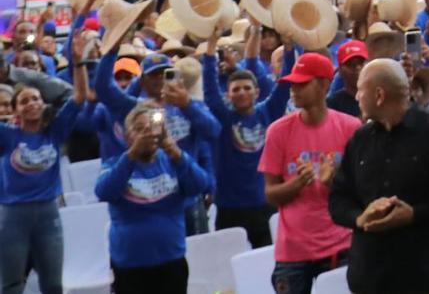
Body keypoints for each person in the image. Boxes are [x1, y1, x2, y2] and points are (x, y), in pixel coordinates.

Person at [329, 59, 429, 294]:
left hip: (427, 278)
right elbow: (338, 200)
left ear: (379, 95)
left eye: (360, 90)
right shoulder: (359, 140)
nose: (356, 97)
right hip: (371, 277)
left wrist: (415, 214)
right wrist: (360, 218)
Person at [259, 53, 361, 294]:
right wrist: (298, 183)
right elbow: (271, 194)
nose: (294, 90)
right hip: (293, 251)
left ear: (325, 84)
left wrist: (334, 180)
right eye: (293, 84)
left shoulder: (350, 127)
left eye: (303, 83)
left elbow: (363, 189)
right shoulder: (278, 131)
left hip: (341, 245)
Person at [95, 103, 211, 294]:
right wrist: (132, 155)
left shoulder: (174, 160)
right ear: (126, 135)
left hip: (171, 258)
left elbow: (200, 185)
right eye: (139, 129)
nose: (146, 134)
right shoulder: (115, 163)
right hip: (130, 264)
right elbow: (104, 191)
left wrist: (175, 152)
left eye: (152, 127)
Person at [201, 26, 293, 248]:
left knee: (267, 265)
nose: (241, 92)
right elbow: (210, 89)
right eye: (236, 89)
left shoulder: (268, 111)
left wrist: (289, 48)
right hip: (229, 208)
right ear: (228, 95)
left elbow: (286, 82)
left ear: (256, 92)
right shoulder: (223, 117)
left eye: (246, 88)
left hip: (265, 204)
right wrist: (211, 47)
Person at [0, 62, 87, 294]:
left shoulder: (54, 132)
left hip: (48, 216)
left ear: (44, 103)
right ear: (15, 109)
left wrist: (78, 62)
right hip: (12, 216)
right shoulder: (7, 135)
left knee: (53, 284)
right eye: (24, 101)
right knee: (10, 284)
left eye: (36, 99)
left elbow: (79, 96)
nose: (32, 104)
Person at [327, 40, 367, 118]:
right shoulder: (332, 104)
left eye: (361, 63)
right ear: (340, 70)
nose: (358, 68)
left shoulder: (379, 98)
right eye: (351, 64)